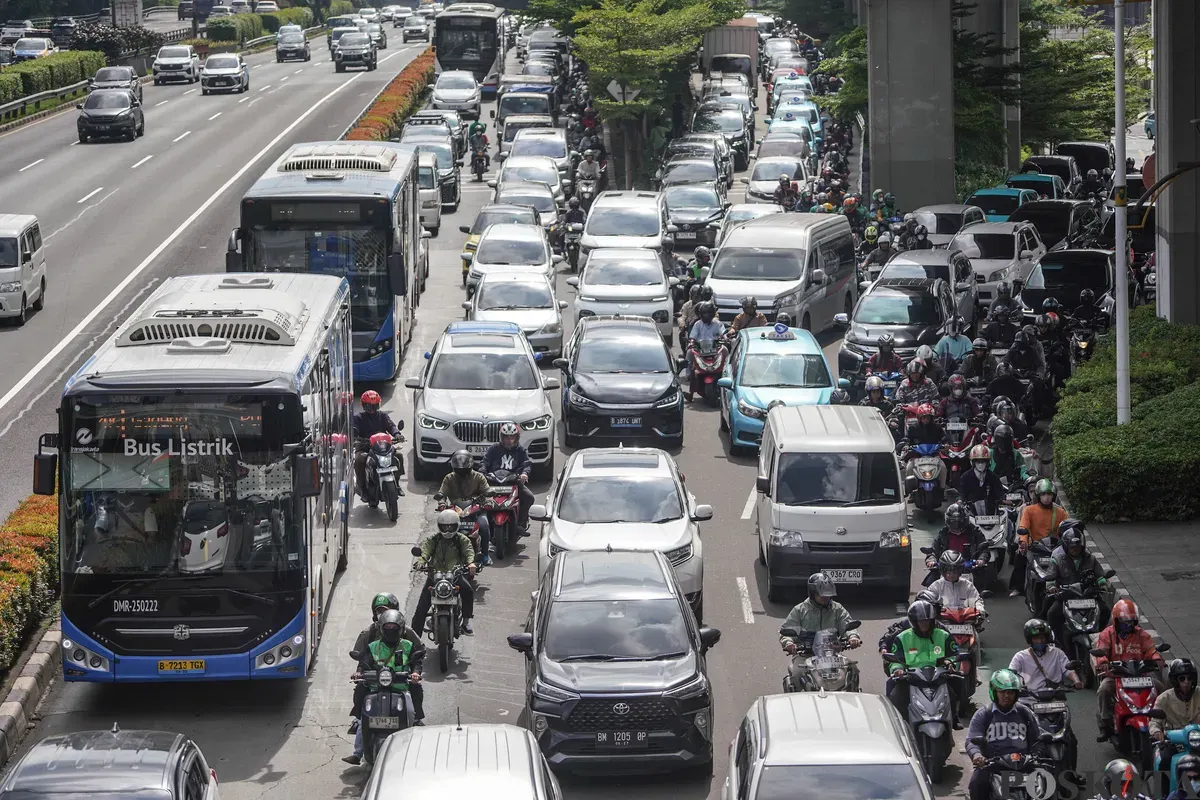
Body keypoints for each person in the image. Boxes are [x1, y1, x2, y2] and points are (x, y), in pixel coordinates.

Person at [343, 609, 421, 764]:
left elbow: (416, 662)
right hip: (375, 688)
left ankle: (411, 747)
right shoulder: (373, 647)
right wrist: (359, 673)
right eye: (387, 627)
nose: (391, 630)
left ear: (400, 629)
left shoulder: (408, 645)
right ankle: (357, 752)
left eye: (394, 627)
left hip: (401, 688)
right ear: (381, 628)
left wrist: (415, 673)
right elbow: (363, 663)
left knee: (411, 713)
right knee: (363, 717)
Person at [966, 670, 1045, 800]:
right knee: (976, 784)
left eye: (1010, 692)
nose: (1006, 696)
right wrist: (977, 756)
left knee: (1048, 783)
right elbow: (971, 740)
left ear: (1016, 694)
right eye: (1002, 691)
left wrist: (1037, 754)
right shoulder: (984, 714)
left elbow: (1037, 739)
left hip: (1023, 765)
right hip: (992, 766)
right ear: (994, 692)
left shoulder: (1024, 713)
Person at [1095, 597, 1165, 742]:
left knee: (1161, 689)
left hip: (1140, 675)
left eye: (1131, 621)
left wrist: (1157, 659)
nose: (1128, 624)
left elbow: (1151, 650)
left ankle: (1165, 722)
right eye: (1125, 621)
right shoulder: (1107, 634)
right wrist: (1103, 662)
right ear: (1116, 621)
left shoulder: (1142, 635)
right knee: (1103, 690)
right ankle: (1106, 723)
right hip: (1116, 676)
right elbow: (1101, 651)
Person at [885, 600, 962, 727]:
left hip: (939, 677)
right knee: (893, 692)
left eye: (927, 620)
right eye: (921, 621)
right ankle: (898, 725)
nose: (925, 624)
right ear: (914, 622)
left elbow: (954, 654)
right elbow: (895, 660)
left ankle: (954, 717)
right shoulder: (902, 638)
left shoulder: (944, 635)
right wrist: (897, 669)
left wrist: (951, 664)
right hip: (911, 678)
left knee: (957, 686)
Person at [412, 509, 477, 639]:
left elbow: (468, 551)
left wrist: (471, 563)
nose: (447, 530)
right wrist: (421, 562)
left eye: (451, 526)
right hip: (434, 576)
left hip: (455, 575)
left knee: (468, 591)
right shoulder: (433, 540)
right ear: (439, 526)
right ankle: (414, 644)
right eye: (444, 527)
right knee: (420, 610)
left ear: (457, 526)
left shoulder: (462, 540)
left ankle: (466, 622)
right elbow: (425, 551)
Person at [779, 572, 864, 655]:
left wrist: (853, 636)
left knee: (851, 667)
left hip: (832, 654)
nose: (826, 598)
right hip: (805, 655)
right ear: (813, 593)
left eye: (828, 595)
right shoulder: (799, 610)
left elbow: (846, 623)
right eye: (822, 595)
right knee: (797, 669)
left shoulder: (837, 608)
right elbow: (787, 630)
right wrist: (789, 643)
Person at [1009, 479, 1067, 597]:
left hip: (1055, 548)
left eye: (1049, 494)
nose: (1046, 497)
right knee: (1020, 559)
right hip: (1035, 547)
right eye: (1043, 494)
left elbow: (1067, 528)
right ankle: (1019, 588)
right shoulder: (1029, 510)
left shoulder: (1060, 512)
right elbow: (1023, 526)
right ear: (1038, 496)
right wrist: (1023, 542)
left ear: (1053, 495)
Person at [437, 450, 491, 566]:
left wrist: (487, 501)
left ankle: (485, 555)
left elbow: (486, 491)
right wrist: (441, 503)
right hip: (455, 512)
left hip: (475, 511)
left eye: (463, 470)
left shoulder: (478, 477)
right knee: (442, 527)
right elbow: (442, 493)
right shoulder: (449, 478)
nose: (460, 473)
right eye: (458, 470)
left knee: (484, 526)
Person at [482, 422, 534, 535]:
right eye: (506, 437)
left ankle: (521, 523)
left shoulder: (520, 450)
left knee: (529, 497)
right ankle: (482, 525)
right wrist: (482, 472)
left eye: (512, 437)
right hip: (494, 482)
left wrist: (524, 474)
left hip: (514, 481)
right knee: (479, 499)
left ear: (517, 438)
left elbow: (527, 464)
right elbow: (484, 462)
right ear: (501, 437)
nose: (509, 440)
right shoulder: (494, 448)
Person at [1010, 618, 1083, 698]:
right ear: (1030, 640)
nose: (1040, 641)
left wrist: (1077, 681)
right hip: (1030, 699)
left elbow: (1068, 670)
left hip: (1055, 697)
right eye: (1036, 638)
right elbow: (1011, 674)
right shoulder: (1020, 657)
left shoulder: (1057, 653)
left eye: (1042, 637)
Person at [353, 390, 404, 500]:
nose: (372, 409)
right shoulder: (358, 418)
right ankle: (362, 488)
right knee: (359, 460)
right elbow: (354, 430)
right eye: (369, 406)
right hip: (365, 447)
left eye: (375, 406)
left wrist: (397, 434)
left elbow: (391, 426)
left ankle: (397, 483)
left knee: (398, 455)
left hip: (383, 447)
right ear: (364, 406)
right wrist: (355, 436)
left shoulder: (383, 416)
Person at [926, 503, 988, 585]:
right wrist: (931, 559)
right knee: (930, 584)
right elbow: (933, 549)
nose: (956, 525)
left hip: (970, 569)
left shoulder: (975, 532)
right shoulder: (943, 534)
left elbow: (984, 549)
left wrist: (981, 559)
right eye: (953, 521)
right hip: (946, 569)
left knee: (982, 586)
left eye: (960, 521)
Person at [1150, 659, 1200, 750]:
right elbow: (1154, 722)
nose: (1186, 682)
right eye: (1182, 678)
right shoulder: (1163, 698)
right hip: (1172, 743)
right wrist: (1156, 732)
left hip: (1197, 741)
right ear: (1174, 680)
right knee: (1163, 759)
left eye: (1189, 678)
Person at [927, 550, 987, 617]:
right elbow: (928, 603)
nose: (952, 575)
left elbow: (977, 601)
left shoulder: (968, 586)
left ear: (960, 571)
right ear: (943, 570)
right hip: (942, 622)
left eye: (955, 571)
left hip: (966, 621)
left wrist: (980, 609)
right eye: (949, 572)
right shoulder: (935, 586)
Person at [959, 444, 1005, 513]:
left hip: (992, 515)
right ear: (973, 462)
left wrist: (1003, 500)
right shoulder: (965, 477)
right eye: (978, 461)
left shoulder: (993, 477)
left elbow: (1000, 494)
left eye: (983, 461)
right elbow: (961, 495)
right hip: (971, 514)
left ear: (987, 462)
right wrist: (960, 501)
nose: (980, 464)